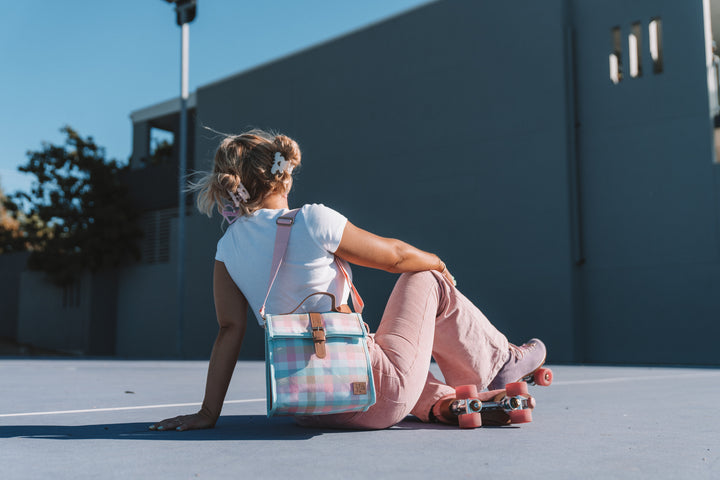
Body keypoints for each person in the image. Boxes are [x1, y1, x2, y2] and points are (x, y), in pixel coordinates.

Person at [149, 129, 547, 431]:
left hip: (310, 406)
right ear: (282, 177)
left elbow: (229, 329)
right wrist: (439, 263)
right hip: (375, 391)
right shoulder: (310, 219)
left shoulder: (227, 248)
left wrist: (207, 413)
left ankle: (441, 403)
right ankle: (501, 362)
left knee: (386, 357)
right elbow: (396, 257)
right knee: (424, 278)